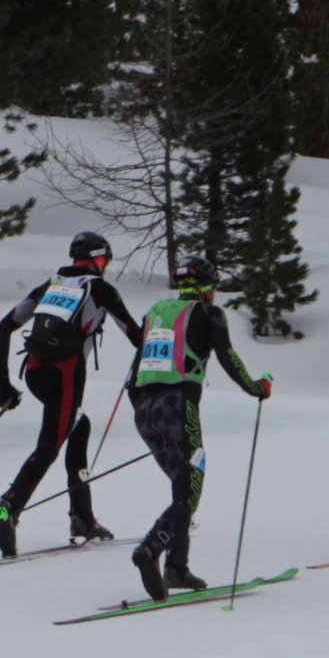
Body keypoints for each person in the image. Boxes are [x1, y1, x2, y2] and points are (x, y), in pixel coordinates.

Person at [0, 229, 145, 557]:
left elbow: (2, 329)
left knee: (78, 426)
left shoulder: (52, 284)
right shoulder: (100, 289)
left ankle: (82, 517)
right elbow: (135, 335)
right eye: (105, 260)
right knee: (50, 444)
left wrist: (2, 382)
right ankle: (10, 505)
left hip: (34, 371)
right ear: (98, 259)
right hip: (66, 373)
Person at [127, 258, 272, 601]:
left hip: (144, 409)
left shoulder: (155, 314)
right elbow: (227, 357)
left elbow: (135, 368)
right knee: (190, 490)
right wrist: (257, 388)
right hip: (179, 406)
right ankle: (151, 549)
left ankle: (177, 568)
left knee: (181, 487)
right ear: (208, 288)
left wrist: (148, 413)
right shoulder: (208, 313)